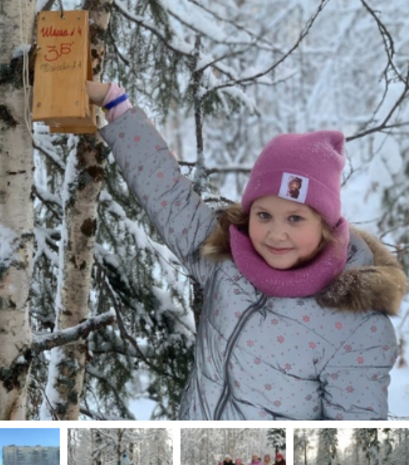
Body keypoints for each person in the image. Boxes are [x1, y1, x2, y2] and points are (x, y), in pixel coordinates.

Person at [85, 81, 407, 420]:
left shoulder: (356, 326)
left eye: (295, 218)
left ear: (326, 226)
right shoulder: (227, 261)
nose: (276, 233)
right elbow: (166, 194)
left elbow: (349, 431)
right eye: (264, 215)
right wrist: (115, 102)